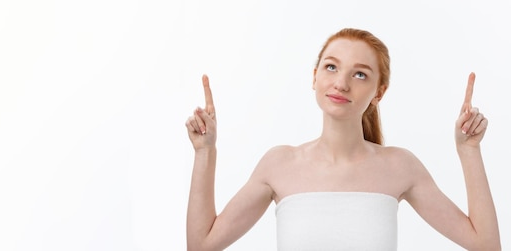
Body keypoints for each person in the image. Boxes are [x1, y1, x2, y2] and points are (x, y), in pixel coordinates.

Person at [184, 28, 501, 251]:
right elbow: (202, 244)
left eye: (360, 74)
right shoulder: (278, 164)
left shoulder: (400, 167)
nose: (341, 83)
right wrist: (205, 153)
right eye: (331, 67)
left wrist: (469, 151)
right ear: (315, 77)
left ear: (379, 93)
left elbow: (485, 244)